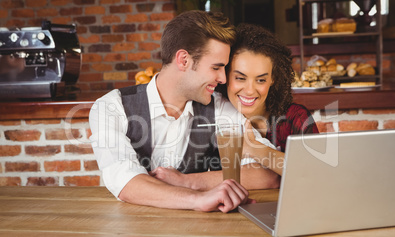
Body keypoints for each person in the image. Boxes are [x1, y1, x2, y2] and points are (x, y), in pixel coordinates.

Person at [89, 11, 280, 213]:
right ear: (183, 60)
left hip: (197, 234)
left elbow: (268, 173)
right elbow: (125, 181)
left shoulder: (220, 108)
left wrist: (189, 182)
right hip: (131, 231)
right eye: (216, 67)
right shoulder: (111, 107)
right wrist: (198, 199)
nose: (223, 78)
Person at [217, 23, 319, 176]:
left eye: (261, 80)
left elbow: (316, 174)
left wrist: (254, 148)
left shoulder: (295, 118)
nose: (250, 90)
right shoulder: (212, 113)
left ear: (273, 79)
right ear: (225, 75)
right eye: (240, 78)